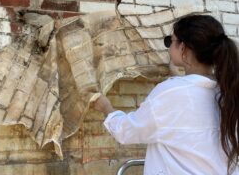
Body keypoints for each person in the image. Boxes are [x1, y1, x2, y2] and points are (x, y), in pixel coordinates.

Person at [93, 14, 239, 175]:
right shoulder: (228, 91)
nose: (168, 47)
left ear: (184, 49)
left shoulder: (172, 92)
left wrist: (106, 108)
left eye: (171, 41)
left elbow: (127, 132)